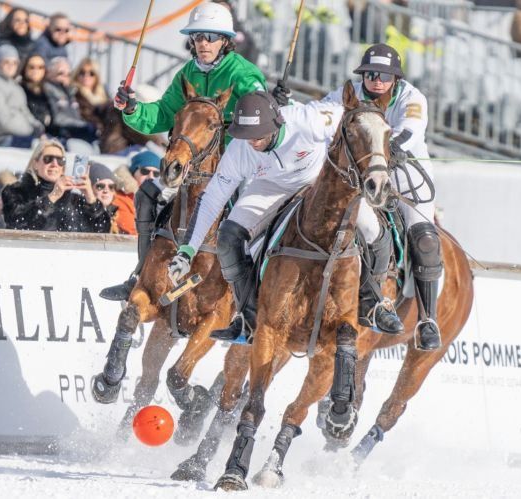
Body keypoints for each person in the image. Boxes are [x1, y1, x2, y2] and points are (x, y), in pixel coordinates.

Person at [165, 91, 397, 344]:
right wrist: (187, 250)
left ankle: (372, 304)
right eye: (247, 136)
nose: (253, 142)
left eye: (259, 135)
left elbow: (361, 120)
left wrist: (381, 153)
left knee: (375, 232)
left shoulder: (310, 120)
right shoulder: (240, 149)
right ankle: (248, 316)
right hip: (270, 186)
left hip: (319, 183)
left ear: (276, 125)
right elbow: (212, 198)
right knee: (229, 236)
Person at [101, 1, 267, 301]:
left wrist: (269, 103)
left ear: (225, 41)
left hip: (238, 162)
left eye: (211, 37)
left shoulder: (243, 73)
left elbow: (261, 115)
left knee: (251, 217)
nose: (203, 43)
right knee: (148, 195)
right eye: (198, 36)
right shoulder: (187, 73)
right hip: (195, 163)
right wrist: (132, 108)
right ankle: (139, 275)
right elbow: (163, 114)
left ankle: (252, 298)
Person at [294, 43, 444, 349]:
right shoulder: (349, 92)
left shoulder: (411, 97)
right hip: (361, 170)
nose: (376, 80)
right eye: (370, 73)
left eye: (384, 75)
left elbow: (410, 129)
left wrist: (390, 149)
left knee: (425, 237)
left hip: (405, 170)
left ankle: (428, 319)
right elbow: (320, 113)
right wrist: (288, 110)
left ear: (395, 79)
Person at [1, 139, 111, 232]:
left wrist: (90, 198)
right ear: (35, 163)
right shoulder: (16, 193)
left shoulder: (74, 200)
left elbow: (102, 230)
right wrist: (53, 196)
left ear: (63, 168)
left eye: (60, 160)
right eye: (48, 159)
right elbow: (19, 224)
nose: (54, 164)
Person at [0, 45, 45, 148]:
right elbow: (3, 122)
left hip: (22, 135)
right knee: (42, 149)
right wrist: (31, 130)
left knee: (57, 144)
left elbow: (25, 112)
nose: (11, 66)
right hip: (3, 140)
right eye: (6, 62)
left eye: (14, 63)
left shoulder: (14, 85)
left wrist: (37, 126)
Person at [43, 57, 96, 143]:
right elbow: (57, 119)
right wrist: (83, 126)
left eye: (68, 75)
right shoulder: (47, 90)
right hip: (61, 137)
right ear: (49, 74)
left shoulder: (72, 92)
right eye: (60, 73)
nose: (65, 77)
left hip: (76, 134)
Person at [0, 7, 34, 76]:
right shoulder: (2, 43)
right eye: (17, 20)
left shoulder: (31, 45)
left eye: (25, 21)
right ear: (10, 22)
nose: (22, 23)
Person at [72, 58, 109, 128]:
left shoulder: (103, 92)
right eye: (82, 72)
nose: (86, 76)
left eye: (91, 73)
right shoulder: (74, 92)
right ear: (77, 74)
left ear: (97, 76)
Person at [21, 54, 52, 131]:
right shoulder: (18, 89)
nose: (36, 71)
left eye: (40, 67)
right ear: (25, 68)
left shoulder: (49, 90)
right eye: (32, 67)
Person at [112, 163, 138, 235]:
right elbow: (131, 230)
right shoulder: (120, 197)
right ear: (133, 173)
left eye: (156, 173)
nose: (151, 176)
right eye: (145, 171)